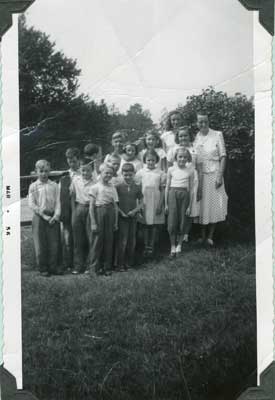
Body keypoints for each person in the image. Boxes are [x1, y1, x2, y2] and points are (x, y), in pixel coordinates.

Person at [193, 112, 228, 245]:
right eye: (200, 122)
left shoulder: (217, 134)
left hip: (214, 174)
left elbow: (223, 156)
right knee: (202, 205)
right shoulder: (197, 137)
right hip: (201, 175)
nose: (202, 124)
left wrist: (220, 176)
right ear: (197, 123)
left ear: (209, 122)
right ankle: (202, 235)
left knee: (213, 205)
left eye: (205, 121)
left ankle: (210, 236)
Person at [167, 126, 202, 242]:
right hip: (178, 182)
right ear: (177, 137)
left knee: (190, 208)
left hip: (192, 180)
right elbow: (170, 167)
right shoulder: (173, 150)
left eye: (185, 135)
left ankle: (186, 233)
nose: (183, 138)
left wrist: (200, 187)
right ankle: (175, 232)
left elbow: (199, 168)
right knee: (177, 209)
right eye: (180, 136)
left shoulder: (195, 149)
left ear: (189, 136)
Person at [28, 160, 61, 277]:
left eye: (46, 171)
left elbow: (58, 202)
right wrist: (44, 216)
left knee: (54, 243)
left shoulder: (54, 185)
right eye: (41, 171)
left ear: (49, 171)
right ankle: (43, 268)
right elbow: (32, 204)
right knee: (40, 244)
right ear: (36, 171)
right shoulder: (33, 186)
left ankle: (53, 267)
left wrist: (56, 216)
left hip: (52, 217)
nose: (44, 174)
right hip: (39, 217)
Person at [89, 164, 119, 276]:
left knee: (109, 241)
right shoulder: (95, 187)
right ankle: (94, 268)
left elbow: (115, 206)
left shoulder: (112, 187)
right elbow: (91, 206)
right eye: (106, 173)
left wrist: (115, 222)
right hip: (99, 212)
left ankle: (107, 267)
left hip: (110, 212)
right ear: (100, 173)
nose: (108, 175)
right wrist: (93, 222)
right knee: (97, 242)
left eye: (110, 173)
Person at [135, 149, 166, 257]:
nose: (150, 162)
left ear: (156, 160)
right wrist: (139, 204)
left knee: (153, 225)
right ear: (145, 160)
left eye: (153, 160)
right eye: (148, 160)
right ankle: (145, 245)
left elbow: (162, 190)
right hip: (144, 200)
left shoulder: (160, 173)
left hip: (156, 199)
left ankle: (151, 246)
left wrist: (160, 204)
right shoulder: (140, 173)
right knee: (145, 224)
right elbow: (138, 190)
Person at [165, 148, 195, 257]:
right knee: (172, 221)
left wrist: (189, 206)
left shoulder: (190, 170)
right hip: (172, 195)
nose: (182, 159)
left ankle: (179, 245)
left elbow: (191, 189)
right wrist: (166, 204)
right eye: (180, 157)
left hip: (185, 195)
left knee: (183, 220)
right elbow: (167, 187)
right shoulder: (171, 169)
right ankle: (172, 246)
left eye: (185, 157)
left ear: (188, 158)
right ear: (176, 158)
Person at [115, 163, 143, 271]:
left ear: (134, 174)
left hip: (133, 217)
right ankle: (120, 264)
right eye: (125, 175)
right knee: (123, 241)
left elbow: (141, 202)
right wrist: (121, 212)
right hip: (122, 218)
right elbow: (115, 203)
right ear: (122, 174)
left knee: (132, 241)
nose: (127, 177)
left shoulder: (136, 187)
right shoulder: (118, 187)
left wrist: (135, 211)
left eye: (130, 175)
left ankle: (129, 263)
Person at [70, 159, 95, 274]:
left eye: (88, 170)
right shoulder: (76, 180)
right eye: (83, 170)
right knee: (78, 239)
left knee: (90, 238)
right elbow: (72, 196)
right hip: (79, 208)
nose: (85, 173)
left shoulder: (96, 182)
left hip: (90, 209)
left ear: (92, 170)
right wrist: (74, 211)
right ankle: (78, 266)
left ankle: (90, 266)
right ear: (80, 169)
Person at [59, 147, 80, 272]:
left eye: (73, 160)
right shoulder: (64, 176)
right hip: (67, 211)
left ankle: (79, 262)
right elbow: (61, 196)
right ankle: (68, 263)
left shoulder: (84, 173)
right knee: (67, 238)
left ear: (78, 159)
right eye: (69, 160)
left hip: (79, 209)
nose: (71, 162)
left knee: (79, 238)